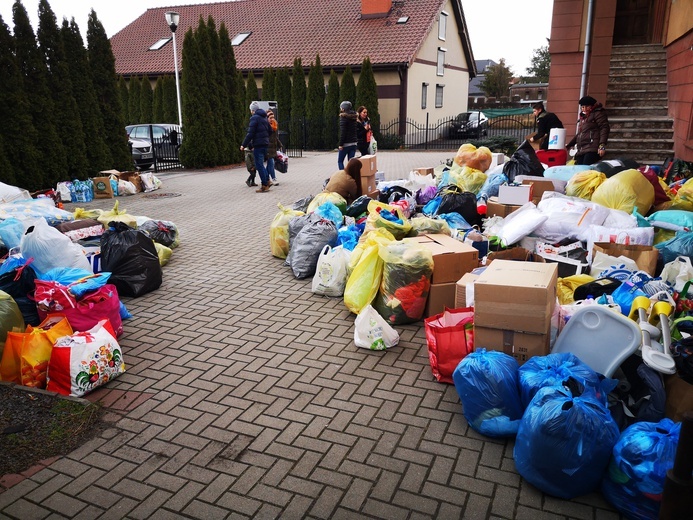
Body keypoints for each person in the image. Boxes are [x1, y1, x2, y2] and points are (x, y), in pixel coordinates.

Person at [566, 95, 610, 165]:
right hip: (582, 149)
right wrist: (570, 145)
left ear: (592, 106)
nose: (585, 109)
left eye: (587, 106)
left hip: (592, 148)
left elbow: (604, 128)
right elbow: (580, 133)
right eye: (583, 107)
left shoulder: (598, 113)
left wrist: (602, 145)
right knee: (579, 169)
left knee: (586, 168)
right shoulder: (583, 118)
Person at [241, 101, 272, 193]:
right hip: (265, 144)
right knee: (261, 165)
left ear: (252, 110)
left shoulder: (254, 118)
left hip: (258, 145)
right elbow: (270, 130)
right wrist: (265, 138)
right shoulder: (264, 117)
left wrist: (243, 144)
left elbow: (250, 133)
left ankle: (265, 185)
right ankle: (268, 181)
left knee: (259, 165)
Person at [337, 101, 358, 170]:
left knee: (340, 161)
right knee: (351, 163)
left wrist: (341, 144)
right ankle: (352, 177)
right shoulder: (354, 118)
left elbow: (343, 132)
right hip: (353, 143)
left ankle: (343, 177)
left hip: (346, 143)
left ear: (343, 109)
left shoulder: (343, 117)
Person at [265, 110, 282, 186]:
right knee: (271, 163)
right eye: (270, 117)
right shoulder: (265, 126)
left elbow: (275, 137)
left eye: (273, 117)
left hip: (273, 148)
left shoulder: (274, 125)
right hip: (268, 147)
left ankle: (266, 178)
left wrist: (280, 145)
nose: (272, 119)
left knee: (269, 164)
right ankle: (274, 178)